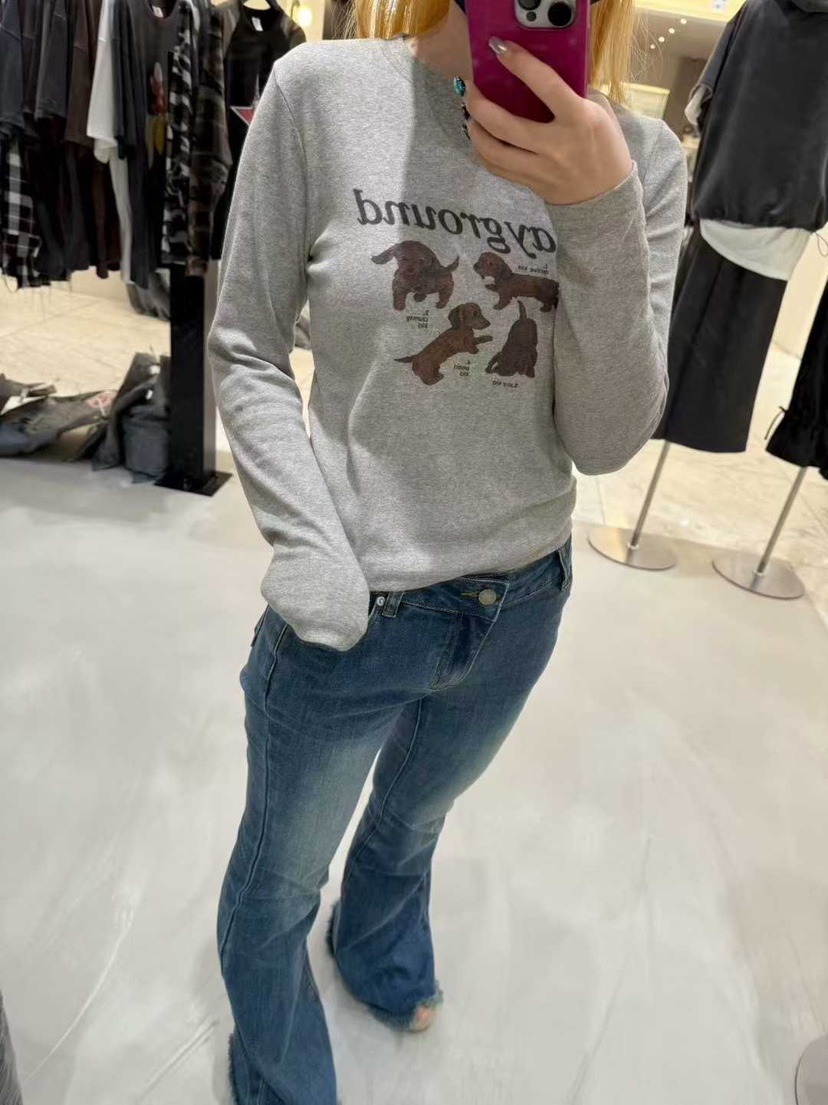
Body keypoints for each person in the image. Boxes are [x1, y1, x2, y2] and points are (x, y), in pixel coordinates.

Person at [208, 0, 687, 1101]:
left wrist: (599, 213)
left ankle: (375, 939)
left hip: (521, 602)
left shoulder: (640, 160)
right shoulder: (323, 93)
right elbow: (244, 344)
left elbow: (605, 439)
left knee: (416, 815)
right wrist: (309, 545)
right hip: (352, 608)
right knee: (280, 879)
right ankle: (277, 1067)